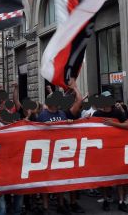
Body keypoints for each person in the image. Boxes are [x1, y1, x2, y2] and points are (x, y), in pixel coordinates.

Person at [36, 80, 85, 215]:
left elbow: (79, 101)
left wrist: (75, 87)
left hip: (62, 152)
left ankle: (61, 204)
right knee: (47, 180)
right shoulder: (42, 116)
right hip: (48, 152)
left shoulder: (63, 114)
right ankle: (46, 208)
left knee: (63, 179)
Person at [93, 91, 128, 213]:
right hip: (102, 150)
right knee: (104, 177)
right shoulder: (97, 113)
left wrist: (112, 124)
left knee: (119, 176)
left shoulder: (117, 112)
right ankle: (105, 200)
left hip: (117, 149)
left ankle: (121, 202)